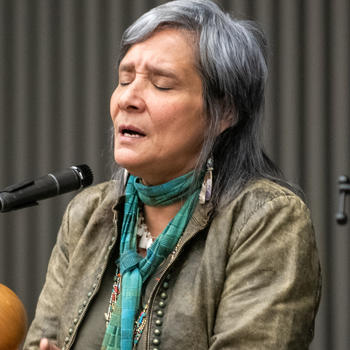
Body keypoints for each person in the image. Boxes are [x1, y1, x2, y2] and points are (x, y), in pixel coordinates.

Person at [24, 0, 321, 349]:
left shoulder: (266, 219)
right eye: (124, 79)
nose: (128, 99)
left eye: (161, 85)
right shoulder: (87, 214)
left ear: (223, 111)